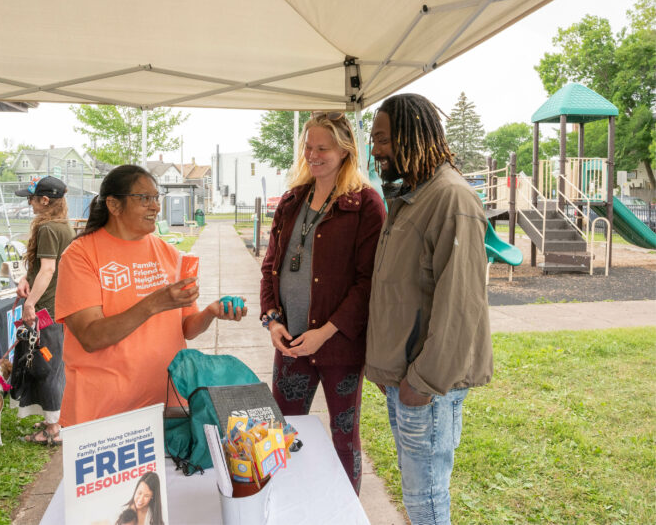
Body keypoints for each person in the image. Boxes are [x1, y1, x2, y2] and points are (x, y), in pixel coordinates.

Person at [366, 93, 493, 524]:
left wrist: (423, 383)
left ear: (410, 134)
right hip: (403, 380)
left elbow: (461, 307)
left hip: (426, 387)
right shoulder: (412, 196)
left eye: (383, 139)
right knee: (416, 492)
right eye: (374, 140)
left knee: (427, 500)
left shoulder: (452, 199)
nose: (376, 150)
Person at [55, 165, 247, 427]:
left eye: (157, 198)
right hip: (103, 413)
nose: (155, 207)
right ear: (113, 204)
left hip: (168, 405)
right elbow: (91, 336)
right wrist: (155, 303)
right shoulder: (80, 255)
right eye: (144, 198)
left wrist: (211, 312)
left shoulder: (169, 254)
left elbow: (187, 329)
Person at [259, 111, 385, 493]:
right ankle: (281, 504)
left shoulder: (366, 204)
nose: (313, 155)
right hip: (291, 342)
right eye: (308, 147)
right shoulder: (292, 200)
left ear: (346, 150)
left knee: (344, 436)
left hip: (340, 348)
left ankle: (345, 513)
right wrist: (273, 321)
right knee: (281, 432)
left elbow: (367, 284)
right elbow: (270, 267)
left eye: (322, 148)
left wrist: (325, 332)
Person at [10, 176, 74, 446]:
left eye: (31, 198)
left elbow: (48, 270)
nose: (29, 202)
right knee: (52, 365)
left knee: (45, 366)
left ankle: (53, 428)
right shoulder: (61, 226)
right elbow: (42, 268)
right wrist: (26, 278)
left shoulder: (48, 228)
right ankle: (53, 419)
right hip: (56, 306)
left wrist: (30, 304)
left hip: (47, 309)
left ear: (45, 200)